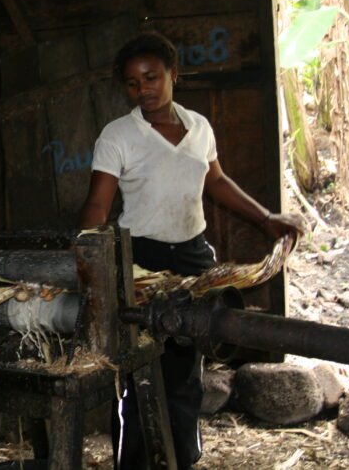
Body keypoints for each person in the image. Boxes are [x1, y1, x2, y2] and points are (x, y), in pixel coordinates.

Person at [78, 32, 303, 469]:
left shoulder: (199, 127)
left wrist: (266, 218)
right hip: (141, 261)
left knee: (184, 368)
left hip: (194, 260)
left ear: (173, 75)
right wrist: (86, 257)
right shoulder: (118, 135)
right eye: (131, 82)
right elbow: (98, 204)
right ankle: (136, 462)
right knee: (135, 369)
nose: (143, 89)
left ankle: (180, 459)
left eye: (151, 77)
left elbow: (215, 181)